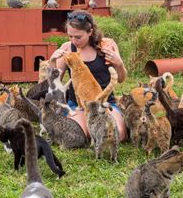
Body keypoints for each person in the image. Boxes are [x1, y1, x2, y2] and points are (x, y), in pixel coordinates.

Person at [49, 10, 128, 141]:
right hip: (79, 105)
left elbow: (121, 79)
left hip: (105, 103)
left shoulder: (106, 47)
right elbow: (54, 84)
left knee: (117, 134)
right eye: (70, 36)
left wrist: (119, 64)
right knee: (82, 135)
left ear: (90, 32)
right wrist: (52, 62)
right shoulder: (67, 48)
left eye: (78, 37)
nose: (73, 41)